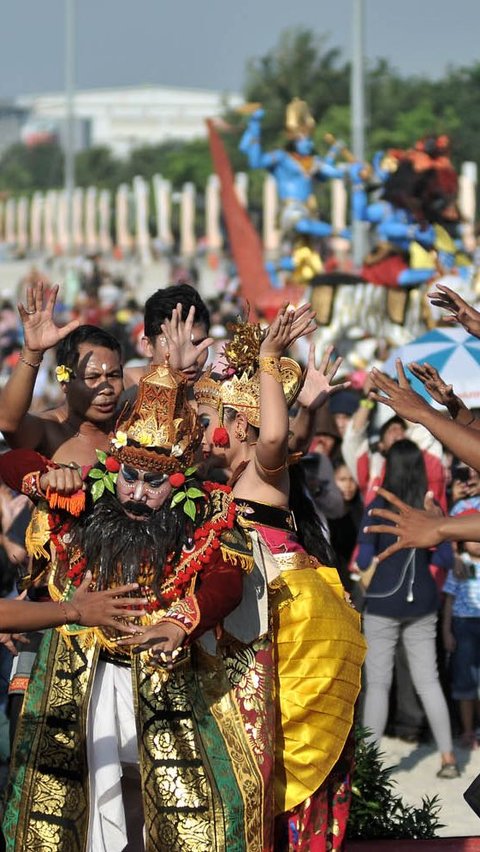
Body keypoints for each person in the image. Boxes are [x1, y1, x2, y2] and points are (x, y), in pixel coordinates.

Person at [2, 364, 259, 852]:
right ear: (114, 468)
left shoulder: (203, 512)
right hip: (79, 670)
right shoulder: (86, 495)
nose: (138, 495)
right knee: (75, 792)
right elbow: (9, 458)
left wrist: (180, 623)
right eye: (132, 477)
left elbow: (227, 579)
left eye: (156, 483)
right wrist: (45, 477)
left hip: (164, 668)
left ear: (180, 482)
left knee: (177, 803)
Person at [191, 308, 366, 850]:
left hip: (287, 627)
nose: (201, 430)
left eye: (209, 419)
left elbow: (274, 437)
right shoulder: (228, 480)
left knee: (281, 749)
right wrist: (307, 402)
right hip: (253, 626)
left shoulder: (263, 473)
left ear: (239, 426)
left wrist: (269, 358)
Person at [356, 438, 458, 778]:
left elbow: (366, 557)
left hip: (383, 602)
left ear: (389, 468)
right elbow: (444, 558)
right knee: (428, 681)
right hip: (424, 602)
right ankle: (448, 759)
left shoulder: (375, 507)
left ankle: (369, 766)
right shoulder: (431, 511)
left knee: (379, 685)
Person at [123, 282, 212, 390]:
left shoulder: (216, 388)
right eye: (176, 345)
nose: (190, 356)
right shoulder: (123, 385)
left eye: (198, 344)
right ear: (147, 346)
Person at [443, 499, 480, 749]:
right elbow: (449, 600)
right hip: (464, 625)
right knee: (465, 680)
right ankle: (467, 731)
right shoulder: (460, 566)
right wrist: (446, 631)